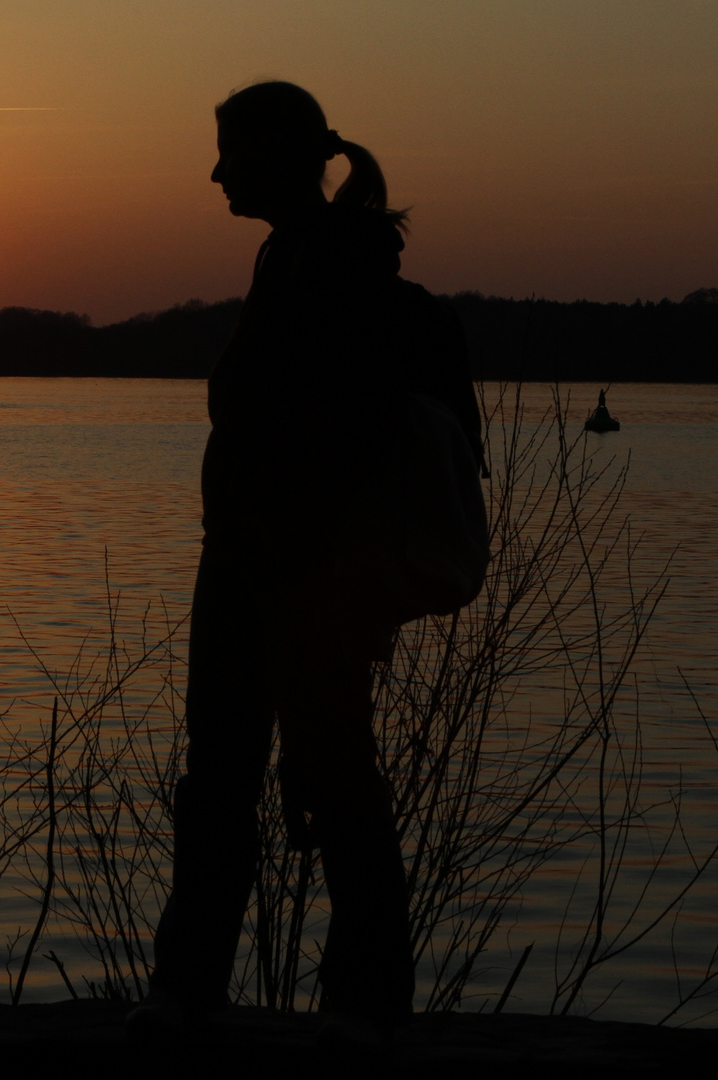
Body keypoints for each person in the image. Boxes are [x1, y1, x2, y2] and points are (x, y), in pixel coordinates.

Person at [127, 80, 481, 1044]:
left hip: (288, 576)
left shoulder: (327, 265)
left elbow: (333, 435)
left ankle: (278, 999)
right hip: (270, 567)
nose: (214, 173)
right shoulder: (302, 254)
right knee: (289, 780)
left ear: (281, 156)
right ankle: (306, 996)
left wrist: (317, 584)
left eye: (230, 152)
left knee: (289, 782)